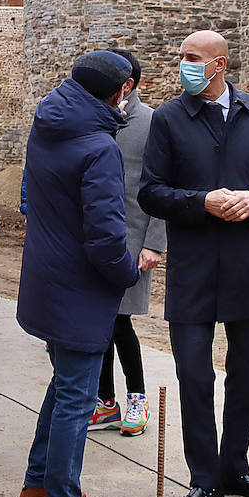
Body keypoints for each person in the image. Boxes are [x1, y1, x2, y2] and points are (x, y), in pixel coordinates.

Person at [138, 29, 249, 497]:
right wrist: (201, 202)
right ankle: (204, 481)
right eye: (180, 54)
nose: (181, 63)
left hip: (248, 267)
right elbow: (151, 192)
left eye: (191, 57)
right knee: (194, 375)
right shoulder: (167, 119)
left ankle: (235, 467)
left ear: (219, 64)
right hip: (193, 268)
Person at [17, 51, 142, 497]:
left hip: (47, 280)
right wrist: (128, 273)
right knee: (78, 397)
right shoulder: (98, 145)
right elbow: (106, 237)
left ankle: (39, 485)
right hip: (80, 289)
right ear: (118, 92)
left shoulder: (49, 124)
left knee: (64, 385)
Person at [88, 48, 166, 438]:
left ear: (127, 85)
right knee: (95, 322)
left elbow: (161, 187)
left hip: (132, 242)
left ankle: (136, 396)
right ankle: (104, 401)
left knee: (119, 323)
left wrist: (154, 243)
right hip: (92, 241)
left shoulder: (151, 123)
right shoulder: (92, 118)